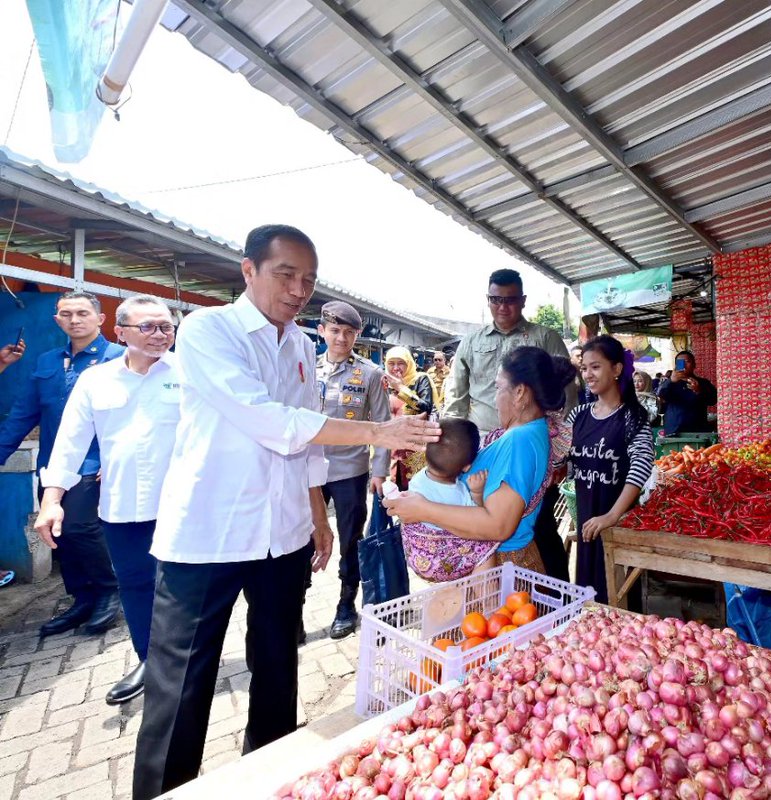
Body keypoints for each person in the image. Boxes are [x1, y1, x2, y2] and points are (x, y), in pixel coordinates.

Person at [132, 225, 440, 799]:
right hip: (209, 536)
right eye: (286, 275)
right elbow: (273, 422)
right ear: (248, 271)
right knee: (180, 688)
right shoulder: (208, 331)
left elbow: (308, 446)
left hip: (282, 535)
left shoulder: (301, 346)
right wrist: (381, 430)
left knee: (278, 665)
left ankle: (272, 778)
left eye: (309, 280)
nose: (299, 290)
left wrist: (318, 517)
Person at [35, 295, 179, 705]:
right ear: (121, 332)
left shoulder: (189, 374)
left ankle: (179, 663)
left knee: (180, 590)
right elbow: (70, 442)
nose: (159, 335)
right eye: (147, 327)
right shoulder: (96, 381)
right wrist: (52, 498)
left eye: (166, 327)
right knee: (135, 587)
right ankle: (149, 660)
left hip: (182, 507)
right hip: (123, 506)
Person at [388, 347, 576, 573]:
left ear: (520, 393)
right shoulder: (525, 433)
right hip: (497, 564)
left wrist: (423, 509)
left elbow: (499, 525)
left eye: (498, 387)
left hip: (501, 568)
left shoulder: (521, 440)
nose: (494, 398)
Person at [0, 292, 121, 637]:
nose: (74, 320)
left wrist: (118, 456)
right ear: (57, 320)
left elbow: (138, 417)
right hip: (54, 463)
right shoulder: (48, 362)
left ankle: (108, 592)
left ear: (100, 319)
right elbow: (24, 413)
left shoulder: (120, 359)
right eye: (66, 314)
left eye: (83, 313)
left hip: (94, 462)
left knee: (81, 526)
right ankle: (82, 599)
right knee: (59, 532)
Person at [443, 269, 575, 580]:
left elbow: (565, 394)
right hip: (483, 450)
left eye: (511, 300)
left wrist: (560, 452)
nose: (503, 307)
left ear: (523, 300)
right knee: (482, 530)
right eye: (496, 300)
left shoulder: (545, 337)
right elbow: (456, 398)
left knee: (538, 529)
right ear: (488, 300)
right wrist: (452, 449)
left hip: (529, 446)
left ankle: (559, 599)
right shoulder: (470, 342)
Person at [314, 300, 391, 639]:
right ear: (322, 332)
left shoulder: (370, 374)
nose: (341, 338)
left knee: (349, 542)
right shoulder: (306, 369)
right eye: (334, 330)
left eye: (348, 332)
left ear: (356, 335)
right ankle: (294, 605)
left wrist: (379, 471)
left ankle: (346, 605)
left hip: (349, 471)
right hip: (308, 470)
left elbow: (383, 424)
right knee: (300, 540)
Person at [565, 337, 654, 603]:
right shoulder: (578, 416)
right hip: (587, 523)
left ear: (616, 369)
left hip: (618, 527)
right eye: (584, 368)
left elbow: (640, 468)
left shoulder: (633, 418)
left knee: (617, 600)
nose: (588, 375)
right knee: (588, 600)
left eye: (595, 367)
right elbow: (561, 460)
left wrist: (612, 516)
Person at [400, 417, 500, 581]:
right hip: (445, 563)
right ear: (467, 466)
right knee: (488, 543)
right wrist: (476, 492)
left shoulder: (417, 480)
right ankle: (484, 598)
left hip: (417, 557)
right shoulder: (460, 493)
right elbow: (477, 520)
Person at [655, 350, 717, 436]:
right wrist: (670, 381)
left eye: (687, 362)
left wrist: (699, 390)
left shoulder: (703, 382)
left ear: (694, 365)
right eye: (680, 362)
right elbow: (660, 395)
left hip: (698, 431)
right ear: (676, 365)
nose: (684, 365)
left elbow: (713, 400)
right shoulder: (669, 383)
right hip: (674, 431)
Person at [384, 346, 434, 417]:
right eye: (391, 363)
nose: (395, 368)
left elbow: (426, 409)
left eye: (400, 363)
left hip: (414, 426)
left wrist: (401, 388)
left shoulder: (420, 379)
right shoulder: (383, 380)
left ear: (408, 364)